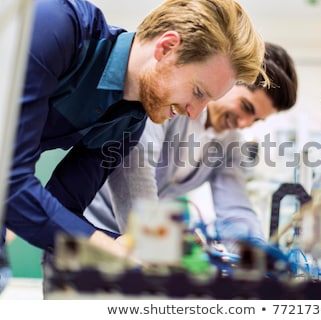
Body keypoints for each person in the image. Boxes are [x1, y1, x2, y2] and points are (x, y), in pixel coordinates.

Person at [3, 0, 267, 259]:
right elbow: (10, 182)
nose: (195, 113)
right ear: (166, 48)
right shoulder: (57, 24)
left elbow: (65, 207)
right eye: (198, 92)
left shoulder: (129, 122)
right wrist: (112, 249)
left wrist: (143, 250)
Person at [84, 42, 298, 253]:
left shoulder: (230, 143)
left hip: (139, 243)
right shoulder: (174, 103)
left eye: (256, 120)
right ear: (230, 81)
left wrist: (256, 257)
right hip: (92, 229)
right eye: (246, 107)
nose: (244, 124)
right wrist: (160, 243)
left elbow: (235, 208)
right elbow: (136, 172)